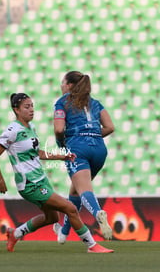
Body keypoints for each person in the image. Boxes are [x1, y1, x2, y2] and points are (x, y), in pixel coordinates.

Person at [0, 93, 113, 253]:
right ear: (16, 110)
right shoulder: (12, 130)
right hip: (30, 185)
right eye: (27, 107)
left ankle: (15, 233)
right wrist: (0, 180)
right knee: (71, 209)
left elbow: (37, 153)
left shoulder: (30, 128)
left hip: (41, 180)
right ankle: (92, 246)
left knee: (52, 218)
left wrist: (62, 156)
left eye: (32, 105)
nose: (32, 110)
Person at [52, 71, 115, 244]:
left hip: (77, 148)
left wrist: (62, 144)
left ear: (69, 85)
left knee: (83, 190)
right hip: (99, 150)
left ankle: (98, 213)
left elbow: (58, 129)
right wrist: (92, 133)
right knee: (75, 191)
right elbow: (110, 127)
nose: (61, 86)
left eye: (62, 83)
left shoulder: (62, 102)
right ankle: (63, 233)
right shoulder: (94, 103)